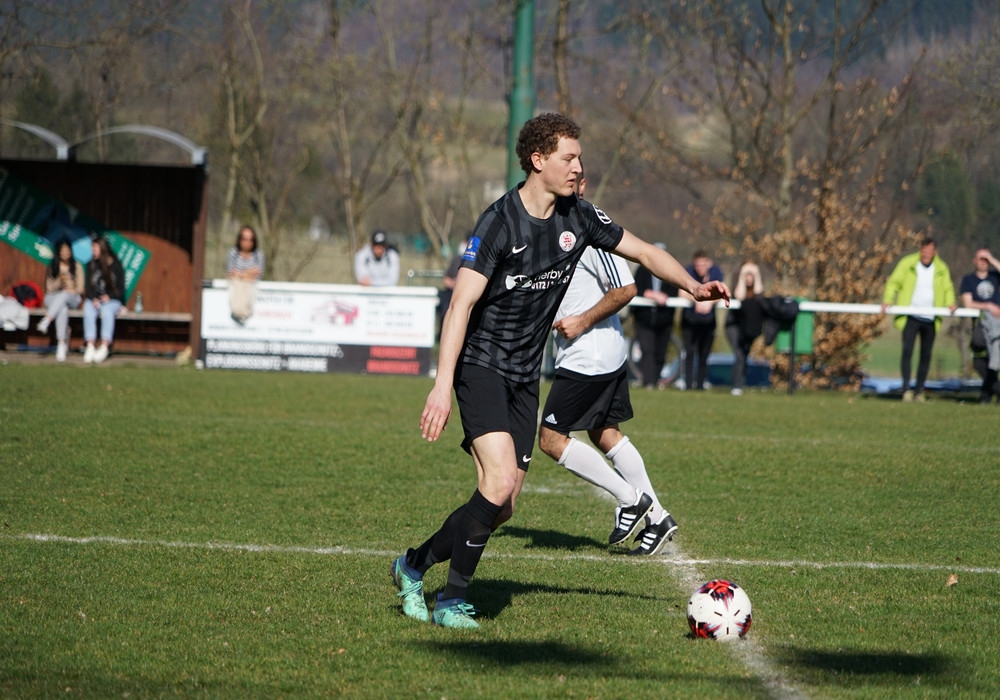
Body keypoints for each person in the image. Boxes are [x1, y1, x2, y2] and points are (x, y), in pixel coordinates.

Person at [390, 112, 729, 629]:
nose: (578, 167)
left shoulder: (579, 216)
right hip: (481, 367)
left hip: (526, 376)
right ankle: (451, 601)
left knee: (502, 505)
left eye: (579, 158)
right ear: (538, 160)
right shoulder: (499, 223)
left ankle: (413, 565)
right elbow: (460, 306)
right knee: (498, 481)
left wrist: (694, 286)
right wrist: (440, 386)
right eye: (568, 158)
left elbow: (643, 252)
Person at [537, 170, 678, 556]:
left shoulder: (591, 229)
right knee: (605, 433)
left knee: (551, 439)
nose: (574, 184)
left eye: (580, 178)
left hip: (591, 355)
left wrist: (582, 321)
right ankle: (659, 518)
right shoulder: (554, 230)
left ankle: (631, 499)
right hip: (594, 353)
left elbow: (626, 288)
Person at [881, 238, 957, 402]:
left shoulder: (941, 268)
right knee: (907, 351)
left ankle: (919, 391)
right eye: (924, 251)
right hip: (910, 316)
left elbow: (947, 288)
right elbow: (893, 283)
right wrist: (888, 299)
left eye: (929, 251)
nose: (926, 254)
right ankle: (906, 389)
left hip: (930, 318)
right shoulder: (908, 263)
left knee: (926, 355)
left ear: (935, 252)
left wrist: (950, 303)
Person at [632, 243, 678, 389]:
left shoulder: (672, 271)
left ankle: (656, 380)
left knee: (660, 352)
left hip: (664, 319)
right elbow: (634, 288)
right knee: (647, 350)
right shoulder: (642, 270)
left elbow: (675, 291)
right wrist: (651, 294)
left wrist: (664, 296)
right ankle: (649, 383)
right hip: (644, 319)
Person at [959, 247, 1000, 403]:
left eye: (985, 260)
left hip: (996, 324)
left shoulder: (995, 276)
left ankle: (986, 394)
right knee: (979, 361)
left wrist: (992, 258)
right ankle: (994, 389)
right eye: (980, 259)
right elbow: (968, 303)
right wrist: (988, 306)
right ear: (974, 261)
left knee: (994, 357)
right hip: (979, 324)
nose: (983, 262)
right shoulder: (968, 280)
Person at [679, 250, 724, 390]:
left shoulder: (716, 273)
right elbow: (682, 293)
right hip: (690, 320)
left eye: (703, 264)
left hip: (708, 321)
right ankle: (687, 385)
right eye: (697, 265)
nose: (700, 268)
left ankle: (700, 385)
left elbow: (722, 292)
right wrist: (697, 300)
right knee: (689, 353)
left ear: (709, 264)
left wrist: (709, 303)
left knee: (704, 355)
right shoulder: (688, 272)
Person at [36, 238, 85, 362]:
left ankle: (47, 320)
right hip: (53, 298)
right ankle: (61, 344)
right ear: (58, 252)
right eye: (62, 251)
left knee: (64, 295)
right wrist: (59, 280)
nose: (65, 253)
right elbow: (49, 288)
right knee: (62, 309)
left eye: (67, 250)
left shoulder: (77, 266)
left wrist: (70, 289)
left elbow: (80, 288)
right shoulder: (53, 266)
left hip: (73, 298)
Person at [724, 261, 765, 396]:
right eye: (747, 274)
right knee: (740, 354)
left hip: (748, 327)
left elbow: (759, 296)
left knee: (744, 355)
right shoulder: (737, 285)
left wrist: (756, 274)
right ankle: (736, 386)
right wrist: (742, 275)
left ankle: (740, 384)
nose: (749, 277)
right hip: (734, 325)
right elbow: (739, 296)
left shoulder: (756, 288)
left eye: (751, 275)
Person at [83, 236, 125, 364]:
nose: (93, 251)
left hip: (112, 300)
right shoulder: (91, 264)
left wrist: (109, 296)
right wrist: (93, 298)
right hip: (95, 299)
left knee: (107, 311)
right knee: (88, 308)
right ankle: (90, 345)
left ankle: (104, 346)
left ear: (102, 249)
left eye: (95, 248)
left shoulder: (116, 265)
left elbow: (121, 290)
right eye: (92, 248)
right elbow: (88, 287)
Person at [226, 225, 265, 324]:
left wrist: (239, 274)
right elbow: (231, 273)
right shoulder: (233, 253)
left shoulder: (258, 255)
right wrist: (249, 272)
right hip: (235, 293)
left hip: (251, 294)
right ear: (239, 239)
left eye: (250, 239)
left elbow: (258, 274)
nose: (247, 242)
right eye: (244, 238)